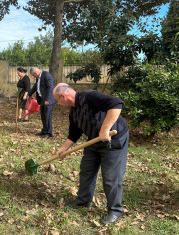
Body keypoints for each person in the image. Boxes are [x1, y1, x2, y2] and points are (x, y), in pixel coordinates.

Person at [53, 83, 129, 225]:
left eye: (57, 100)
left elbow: (116, 104)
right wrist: (64, 148)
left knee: (111, 177)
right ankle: (83, 202)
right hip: (94, 141)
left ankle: (115, 211)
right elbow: (74, 133)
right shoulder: (73, 111)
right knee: (86, 170)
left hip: (114, 140)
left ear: (63, 96)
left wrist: (105, 129)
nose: (58, 103)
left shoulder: (89, 96)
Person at [27, 67, 55, 138]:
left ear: (35, 73)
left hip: (48, 100)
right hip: (42, 99)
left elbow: (50, 87)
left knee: (47, 116)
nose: (33, 77)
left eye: (33, 75)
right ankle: (44, 131)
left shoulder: (46, 75)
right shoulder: (38, 77)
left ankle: (49, 133)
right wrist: (29, 94)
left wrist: (48, 99)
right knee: (43, 115)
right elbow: (35, 87)